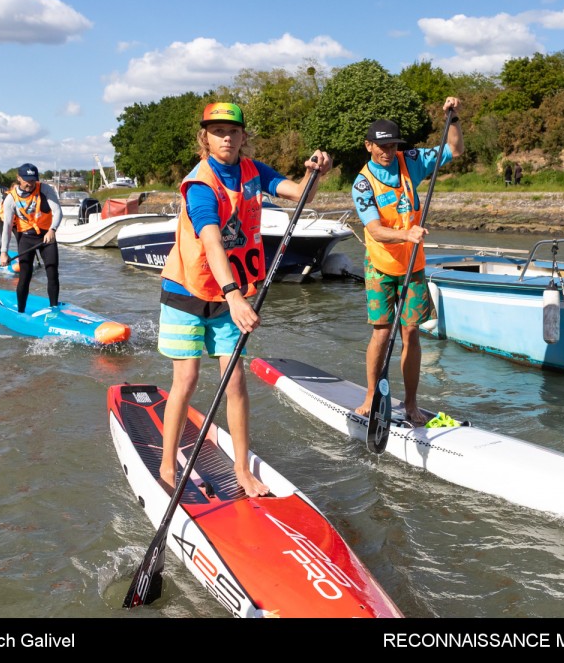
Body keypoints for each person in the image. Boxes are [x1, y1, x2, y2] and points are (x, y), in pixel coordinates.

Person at [158, 102, 332, 497]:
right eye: (217, 131)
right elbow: (212, 240)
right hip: (188, 290)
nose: (226, 138)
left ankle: (241, 469)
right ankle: (168, 468)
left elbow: (302, 194)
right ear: (205, 137)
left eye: (232, 131)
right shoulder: (200, 184)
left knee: (235, 380)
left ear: (242, 136)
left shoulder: (254, 171)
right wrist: (234, 295)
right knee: (186, 379)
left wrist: (315, 173)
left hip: (229, 295)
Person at [352, 97, 464, 425]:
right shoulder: (362, 184)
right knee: (382, 334)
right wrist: (407, 235)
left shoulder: (410, 161)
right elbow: (374, 229)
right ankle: (372, 394)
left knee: (411, 333)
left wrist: (453, 118)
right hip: (381, 265)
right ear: (369, 146)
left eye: (393, 145)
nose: (388, 152)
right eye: (382, 146)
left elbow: (454, 150)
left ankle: (412, 403)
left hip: (413, 264)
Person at [0, 163, 62, 314]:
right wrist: (4, 252)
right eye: (27, 180)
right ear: (19, 178)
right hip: (26, 238)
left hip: (47, 236)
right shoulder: (10, 199)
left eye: (33, 180)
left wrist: (52, 229)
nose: (30, 183)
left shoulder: (45, 189)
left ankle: (54, 309)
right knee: (25, 276)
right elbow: (7, 227)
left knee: (52, 272)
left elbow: (58, 211)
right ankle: (21, 312)